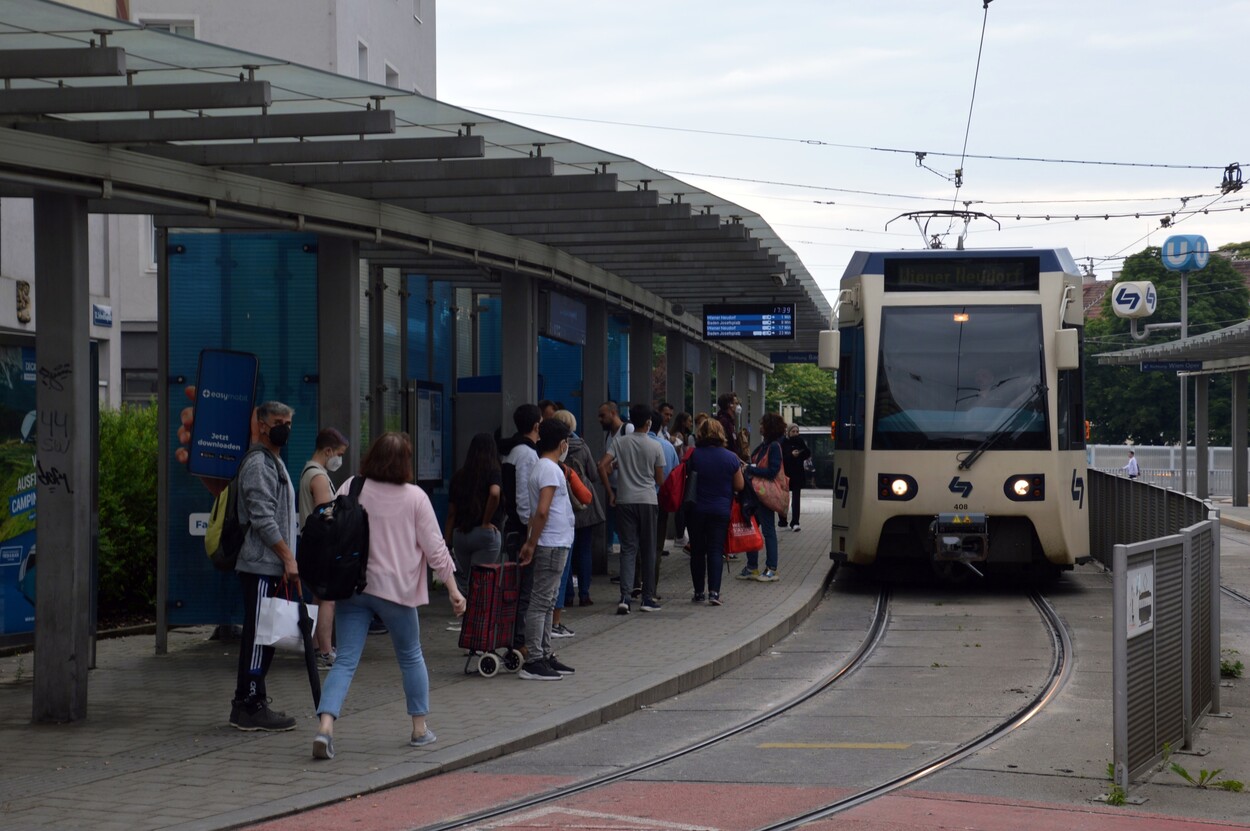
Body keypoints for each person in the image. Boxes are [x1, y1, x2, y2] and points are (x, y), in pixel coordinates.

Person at [312, 432, 466, 760]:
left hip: (353, 588)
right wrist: (453, 589)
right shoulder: (415, 498)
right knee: (410, 655)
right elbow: (435, 549)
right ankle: (419, 729)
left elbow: (330, 523)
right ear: (405, 463)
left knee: (345, 661)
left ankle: (325, 727)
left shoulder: (352, 485)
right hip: (397, 591)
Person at [230, 401, 301, 732]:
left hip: (270, 566)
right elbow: (262, 518)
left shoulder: (274, 461)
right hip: (261, 565)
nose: (283, 427)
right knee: (259, 637)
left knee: (266, 636)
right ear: (260, 425)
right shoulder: (259, 463)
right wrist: (288, 556)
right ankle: (249, 704)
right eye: (277, 421)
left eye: (288, 421)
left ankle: (250, 702)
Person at [517, 419, 577, 680]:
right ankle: (534, 660)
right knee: (542, 602)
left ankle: (545, 653)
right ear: (562, 443)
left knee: (547, 600)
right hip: (551, 543)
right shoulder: (550, 470)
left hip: (555, 542)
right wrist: (531, 543)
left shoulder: (545, 467)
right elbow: (542, 511)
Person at [604, 404, 665, 614]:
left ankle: (624, 598)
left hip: (624, 500)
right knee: (648, 550)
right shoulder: (655, 446)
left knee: (628, 549)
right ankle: (647, 598)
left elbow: (602, 465)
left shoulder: (620, 442)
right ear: (648, 423)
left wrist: (611, 492)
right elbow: (659, 479)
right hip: (648, 500)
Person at [299, 427, 349, 668]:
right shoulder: (318, 476)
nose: (339, 459)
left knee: (319, 597)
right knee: (328, 598)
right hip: (322, 545)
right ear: (328, 450)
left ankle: (318, 648)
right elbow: (326, 514)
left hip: (311, 544)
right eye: (338, 453)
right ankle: (326, 652)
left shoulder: (309, 471)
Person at [445, 433, 505, 631]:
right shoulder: (494, 472)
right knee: (482, 583)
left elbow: (452, 512)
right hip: (485, 535)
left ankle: (468, 625)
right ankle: (479, 631)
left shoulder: (459, 476)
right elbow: (495, 493)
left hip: (461, 534)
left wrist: (447, 542)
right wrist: (487, 521)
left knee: (467, 582)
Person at [686, 418, 744, 606]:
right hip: (720, 510)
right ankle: (714, 593)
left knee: (697, 551)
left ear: (700, 433)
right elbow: (739, 485)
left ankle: (698, 592)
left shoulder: (694, 456)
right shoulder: (731, 457)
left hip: (696, 510)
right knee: (715, 550)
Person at [550, 409, 604, 612]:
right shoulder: (582, 446)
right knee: (584, 549)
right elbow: (593, 474)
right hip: (583, 505)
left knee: (567, 553)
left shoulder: (552, 448)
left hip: (563, 505)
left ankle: (566, 595)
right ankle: (585, 594)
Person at [500, 404, 541, 652]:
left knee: (519, 586)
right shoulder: (526, 454)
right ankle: (519, 640)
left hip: (514, 527)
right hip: (522, 529)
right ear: (536, 426)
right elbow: (524, 498)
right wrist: (531, 534)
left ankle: (516, 636)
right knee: (525, 587)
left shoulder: (512, 451)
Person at [737, 412, 786, 583]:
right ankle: (752, 567)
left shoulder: (773, 447)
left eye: (762, 424)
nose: (760, 427)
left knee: (768, 531)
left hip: (764, 495)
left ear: (769, 427)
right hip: (756, 494)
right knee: (752, 529)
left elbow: (772, 471)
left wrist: (750, 470)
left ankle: (771, 568)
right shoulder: (765, 445)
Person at [596, 400, 634, 569]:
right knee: (613, 523)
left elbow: (631, 454)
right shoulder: (608, 435)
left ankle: (629, 566)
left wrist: (612, 465)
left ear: (613, 413)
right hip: (611, 486)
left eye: (602, 415)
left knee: (624, 528)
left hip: (624, 487)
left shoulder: (628, 429)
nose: (599, 419)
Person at [779, 424, 811, 533]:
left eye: (797, 431)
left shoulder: (800, 441)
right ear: (788, 432)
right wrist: (791, 454)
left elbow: (807, 453)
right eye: (793, 431)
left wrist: (800, 454)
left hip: (797, 474)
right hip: (786, 475)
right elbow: (781, 457)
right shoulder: (783, 442)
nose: (796, 433)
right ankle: (782, 521)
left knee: (796, 500)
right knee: (784, 499)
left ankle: (795, 522)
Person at [715, 391, 743, 460]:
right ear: (729, 405)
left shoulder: (729, 421)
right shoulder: (724, 422)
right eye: (736, 403)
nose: (738, 406)